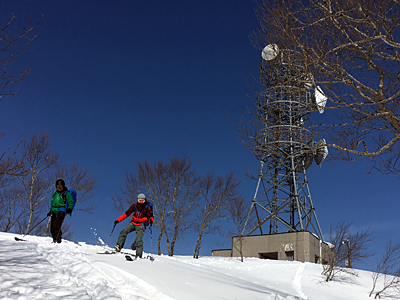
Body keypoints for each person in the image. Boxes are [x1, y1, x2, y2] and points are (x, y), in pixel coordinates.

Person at [114, 193, 154, 258]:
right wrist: (118, 220)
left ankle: (138, 255)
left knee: (139, 240)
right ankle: (118, 246)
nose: (141, 203)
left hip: (141, 225)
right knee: (123, 232)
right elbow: (126, 214)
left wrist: (151, 220)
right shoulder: (134, 206)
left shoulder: (147, 207)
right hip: (133, 223)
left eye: (142, 201)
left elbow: (151, 216)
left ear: (144, 200)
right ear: (137, 200)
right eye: (139, 201)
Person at [47, 179, 73, 243]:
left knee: (56, 226)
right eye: (57, 186)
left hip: (61, 211)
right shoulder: (55, 194)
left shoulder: (66, 193)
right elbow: (52, 202)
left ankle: (58, 241)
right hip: (54, 211)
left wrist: (69, 208)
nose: (59, 188)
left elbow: (70, 201)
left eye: (60, 186)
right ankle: (54, 240)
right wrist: (50, 211)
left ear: (63, 186)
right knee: (52, 227)